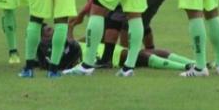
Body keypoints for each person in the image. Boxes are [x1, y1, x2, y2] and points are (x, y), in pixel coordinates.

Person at [36, 24, 195, 72]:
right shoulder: (50, 51)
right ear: (43, 37)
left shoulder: (65, 42)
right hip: (104, 55)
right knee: (142, 56)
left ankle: (196, 62)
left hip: (105, 48)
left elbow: (76, 39)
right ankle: (185, 67)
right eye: (49, 30)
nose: (54, 29)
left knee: (156, 51)